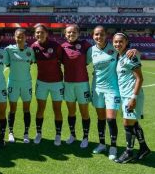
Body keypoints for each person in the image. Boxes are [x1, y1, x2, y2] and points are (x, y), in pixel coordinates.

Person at [87, 26, 140, 160]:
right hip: (97, 89)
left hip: (112, 90)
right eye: (96, 35)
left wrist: (134, 50)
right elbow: (82, 63)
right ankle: (101, 144)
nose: (99, 37)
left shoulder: (114, 48)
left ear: (106, 35)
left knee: (110, 119)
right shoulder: (91, 51)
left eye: (102, 34)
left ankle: (113, 147)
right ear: (93, 36)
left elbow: (129, 52)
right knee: (100, 119)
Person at [113, 32, 151, 163]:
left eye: (120, 41)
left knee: (127, 123)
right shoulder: (119, 56)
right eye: (116, 42)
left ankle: (129, 151)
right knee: (133, 123)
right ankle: (144, 148)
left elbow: (140, 78)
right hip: (125, 96)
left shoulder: (130, 56)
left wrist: (133, 98)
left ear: (126, 42)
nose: (118, 44)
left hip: (132, 96)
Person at [30, 25, 64, 145]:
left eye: (42, 32)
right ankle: (39, 133)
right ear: (35, 34)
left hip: (57, 83)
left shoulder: (56, 46)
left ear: (46, 33)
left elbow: (63, 59)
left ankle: (58, 135)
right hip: (41, 83)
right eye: (37, 33)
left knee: (57, 109)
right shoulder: (33, 47)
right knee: (40, 109)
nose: (39, 35)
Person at [61, 24, 91, 148]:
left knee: (84, 112)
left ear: (78, 33)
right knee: (71, 111)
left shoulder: (85, 45)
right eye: (68, 32)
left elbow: (91, 58)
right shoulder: (62, 47)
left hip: (82, 83)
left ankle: (85, 137)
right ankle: (72, 135)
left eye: (73, 32)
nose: (71, 34)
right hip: (68, 83)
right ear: (65, 34)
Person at [5, 28, 35, 143]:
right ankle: (11, 132)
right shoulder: (9, 49)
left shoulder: (30, 51)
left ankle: (26, 133)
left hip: (26, 83)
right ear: (14, 37)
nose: (20, 38)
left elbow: (32, 62)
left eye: (22, 36)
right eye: (18, 36)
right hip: (13, 83)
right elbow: (7, 62)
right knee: (12, 109)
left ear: (26, 37)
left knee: (26, 109)